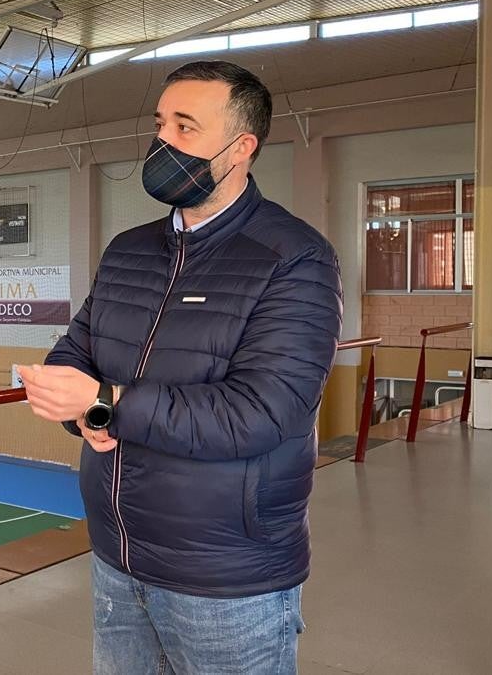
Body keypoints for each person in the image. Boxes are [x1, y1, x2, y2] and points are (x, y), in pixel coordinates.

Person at [18, 60, 343, 674]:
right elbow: (76, 351)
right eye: (160, 123)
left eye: (186, 127)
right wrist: (85, 409)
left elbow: (262, 414)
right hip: (118, 559)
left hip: (226, 578)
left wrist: (110, 403)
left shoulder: (295, 259)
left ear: (241, 148)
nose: (163, 141)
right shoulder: (128, 251)